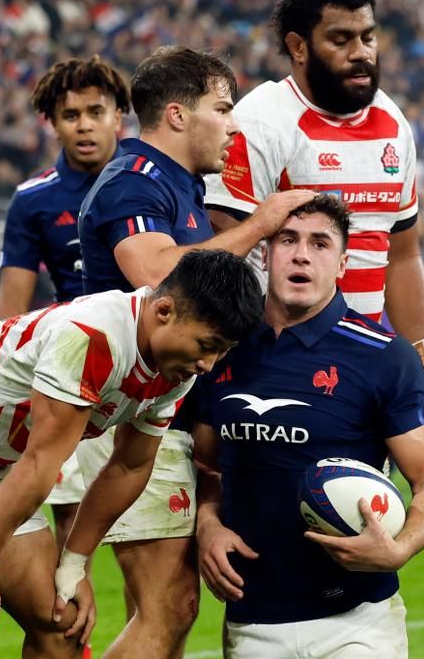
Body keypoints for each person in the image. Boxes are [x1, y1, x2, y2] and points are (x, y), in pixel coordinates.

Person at [0, 250, 262, 656]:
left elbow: (129, 466)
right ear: (165, 311)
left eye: (221, 350)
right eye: (207, 345)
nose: (209, 364)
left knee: (63, 625)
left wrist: (74, 563)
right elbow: (38, 464)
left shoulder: (175, 367)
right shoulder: (93, 336)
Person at [76, 45, 313, 658]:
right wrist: (260, 225)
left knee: (159, 614)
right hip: (128, 417)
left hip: (156, 412)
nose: (233, 124)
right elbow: (154, 272)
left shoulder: (180, 187)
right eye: (222, 107)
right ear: (178, 115)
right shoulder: (133, 181)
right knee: (170, 607)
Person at [203, 0, 424, 454]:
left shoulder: (394, 124)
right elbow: (225, 259)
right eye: (341, 39)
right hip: (274, 364)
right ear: (298, 47)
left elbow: (404, 259)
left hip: (366, 367)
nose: (360, 53)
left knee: (363, 518)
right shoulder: (261, 123)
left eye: (368, 37)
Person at [191, 193, 424, 658]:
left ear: (342, 263)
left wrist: (401, 548)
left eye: (320, 244)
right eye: (288, 239)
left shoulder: (382, 356)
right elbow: (204, 464)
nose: (301, 254)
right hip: (253, 620)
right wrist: (207, 523)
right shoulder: (222, 347)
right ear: (266, 253)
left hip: (357, 623)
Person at [0, 56, 131, 551]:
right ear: (51, 123)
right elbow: (11, 307)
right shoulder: (33, 200)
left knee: (158, 556)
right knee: (71, 543)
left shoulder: (148, 182)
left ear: (120, 116)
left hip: (145, 377)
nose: (85, 125)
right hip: (74, 375)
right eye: (71, 115)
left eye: (96, 111)